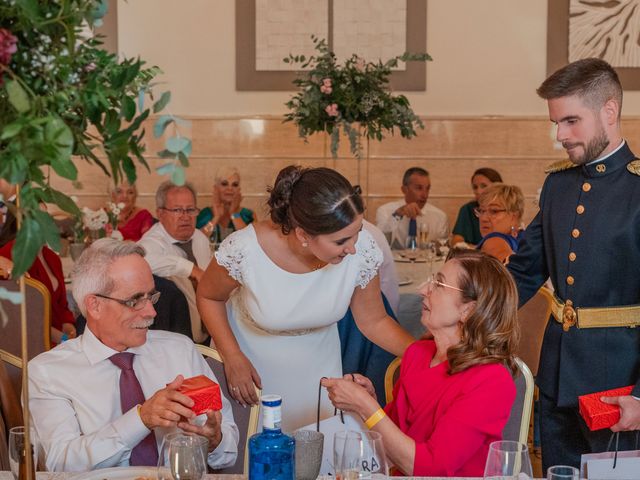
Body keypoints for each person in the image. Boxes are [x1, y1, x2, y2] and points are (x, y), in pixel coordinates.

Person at [197, 166, 414, 431]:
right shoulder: (245, 249)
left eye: (357, 231)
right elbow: (209, 297)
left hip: (321, 374)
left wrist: (425, 355)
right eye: (341, 240)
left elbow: (375, 320)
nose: (353, 247)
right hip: (254, 372)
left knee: (317, 454)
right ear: (302, 235)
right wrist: (232, 356)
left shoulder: (359, 249)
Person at [507, 58, 640, 471]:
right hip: (556, 377)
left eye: (570, 121)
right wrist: (464, 305)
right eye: (556, 123)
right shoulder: (558, 185)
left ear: (610, 111)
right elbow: (524, 271)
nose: (559, 135)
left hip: (620, 387)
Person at [28, 239, 238, 472]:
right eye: (135, 300)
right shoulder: (49, 372)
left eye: (151, 296)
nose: (151, 312)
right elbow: (61, 463)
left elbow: (227, 450)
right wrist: (141, 418)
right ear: (94, 305)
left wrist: (213, 440)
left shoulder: (179, 351)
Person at [323, 249, 518, 477]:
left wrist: (366, 407)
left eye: (439, 285)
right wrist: (369, 400)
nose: (423, 290)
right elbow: (392, 438)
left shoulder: (491, 381)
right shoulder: (418, 354)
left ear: (468, 310)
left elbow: (432, 469)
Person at [138, 181, 211, 343]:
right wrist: (190, 269)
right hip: (175, 336)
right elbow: (142, 260)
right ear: (160, 213)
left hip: (211, 333)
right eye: (177, 210)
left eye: (190, 210)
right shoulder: (151, 242)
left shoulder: (199, 238)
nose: (185, 217)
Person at [376, 167, 449, 249]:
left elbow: (444, 249)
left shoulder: (440, 216)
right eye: (419, 188)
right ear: (404, 189)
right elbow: (380, 244)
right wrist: (397, 215)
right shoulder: (385, 211)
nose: (425, 195)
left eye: (427, 188)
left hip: (427, 261)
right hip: (395, 261)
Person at [196, 167, 254, 243]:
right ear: (216, 188)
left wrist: (234, 214)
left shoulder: (248, 215)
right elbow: (198, 240)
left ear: (239, 190)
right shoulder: (205, 214)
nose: (230, 188)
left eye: (235, 185)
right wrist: (216, 218)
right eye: (224, 184)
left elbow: (251, 242)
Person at [451, 168, 503, 246]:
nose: (478, 191)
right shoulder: (468, 209)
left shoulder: (506, 209)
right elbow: (456, 241)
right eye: (475, 187)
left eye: (484, 186)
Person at [475, 183, 525, 263]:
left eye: (494, 211)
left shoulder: (494, 241)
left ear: (514, 216)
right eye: (482, 211)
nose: (483, 218)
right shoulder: (527, 238)